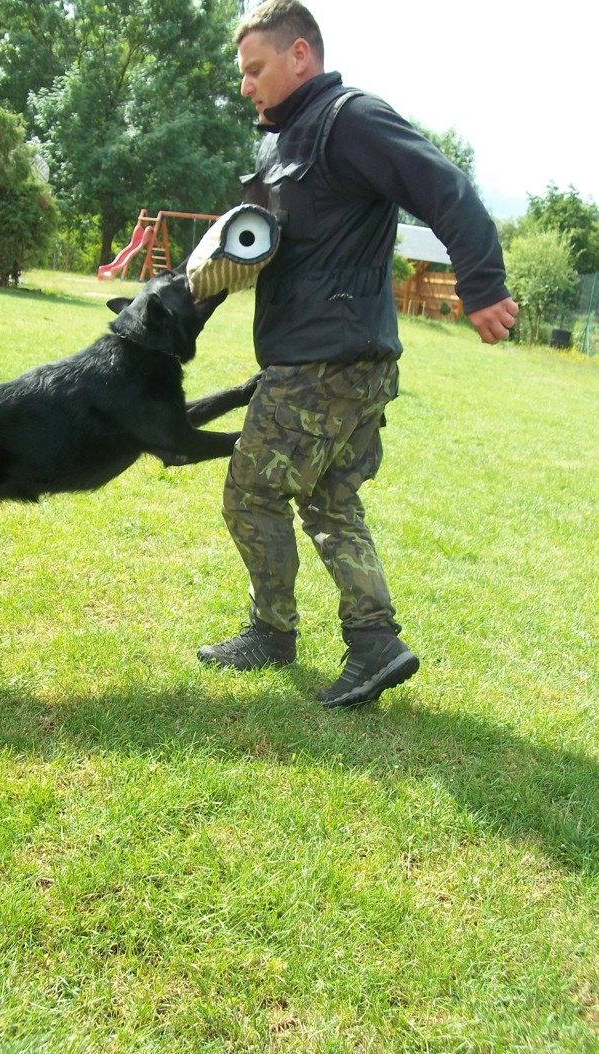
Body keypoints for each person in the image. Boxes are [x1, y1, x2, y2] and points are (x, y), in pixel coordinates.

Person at [197, 0, 519, 708]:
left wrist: (482, 284)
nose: (246, 86)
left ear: (299, 55)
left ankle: (272, 632)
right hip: (340, 355)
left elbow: (443, 186)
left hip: (328, 359)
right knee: (330, 500)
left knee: (251, 491)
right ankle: (374, 643)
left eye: (255, 69)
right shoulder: (281, 141)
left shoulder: (350, 120)